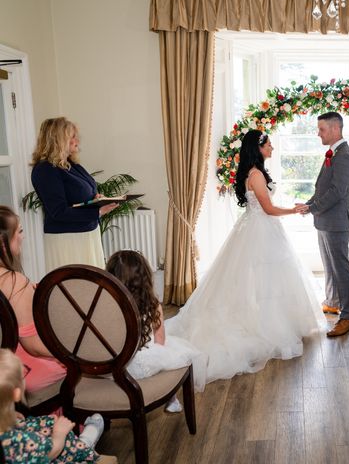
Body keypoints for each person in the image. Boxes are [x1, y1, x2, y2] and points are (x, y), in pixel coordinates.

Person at [165, 130, 320, 382]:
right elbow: (268, 209)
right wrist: (294, 210)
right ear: (258, 148)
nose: (272, 148)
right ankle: (264, 327)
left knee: (268, 279)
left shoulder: (256, 172)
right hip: (261, 229)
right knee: (262, 279)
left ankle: (277, 321)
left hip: (259, 228)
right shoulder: (256, 175)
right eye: (269, 144)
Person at [106, 250, 208, 411]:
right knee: (170, 356)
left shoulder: (106, 307)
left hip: (112, 369)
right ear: (144, 278)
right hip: (141, 366)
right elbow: (160, 340)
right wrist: (160, 357)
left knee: (161, 356)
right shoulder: (152, 305)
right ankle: (171, 397)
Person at [297, 112, 349, 338]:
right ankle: (332, 303)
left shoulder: (345, 156)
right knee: (329, 267)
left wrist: (313, 208)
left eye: (321, 129)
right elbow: (322, 188)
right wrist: (308, 205)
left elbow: (337, 193)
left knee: (341, 269)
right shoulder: (334, 153)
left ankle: (348, 317)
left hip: (336, 222)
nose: (318, 133)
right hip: (324, 221)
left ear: (334, 129)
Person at [30, 117, 118, 272]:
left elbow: (86, 194)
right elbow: (58, 212)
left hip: (87, 235)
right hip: (68, 240)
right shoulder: (45, 170)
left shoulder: (72, 165)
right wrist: (97, 211)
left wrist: (96, 199)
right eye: (72, 136)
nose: (77, 140)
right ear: (58, 139)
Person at [0, 205, 66, 394]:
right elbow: (34, 347)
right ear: (4, 244)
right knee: (74, 365)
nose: (23, 236)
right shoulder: (13, 282)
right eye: (19, 231)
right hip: (14, 369)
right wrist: (69, 354)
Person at [0, 349, 105, 463]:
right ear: (16, 394)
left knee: (48, 422)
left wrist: (10, 414)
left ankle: (79, 446)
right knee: (59, 432)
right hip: (41, 454)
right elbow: (49, 454)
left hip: (18, 439)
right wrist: (59, 434)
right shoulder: (19, 441)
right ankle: (85, 446)